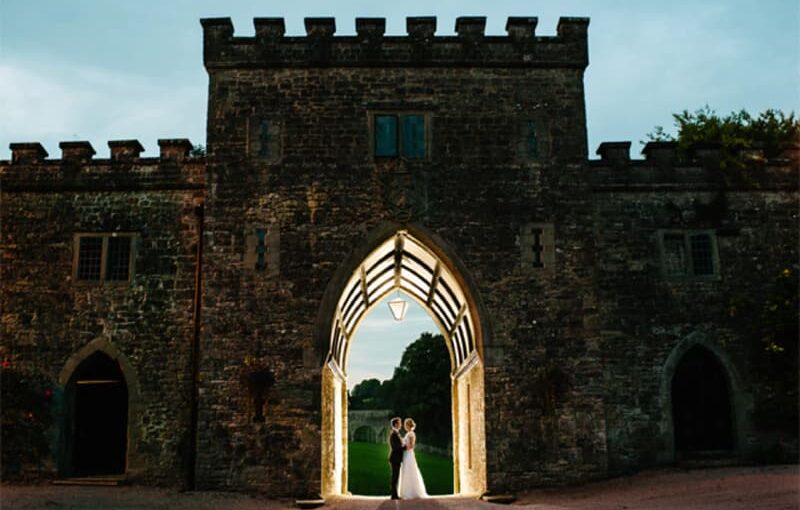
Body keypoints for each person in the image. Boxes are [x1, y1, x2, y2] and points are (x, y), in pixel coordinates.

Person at [398, 418, 428, 499]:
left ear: (408, 425)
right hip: (406, 454)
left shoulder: (411, 434)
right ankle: (406, 492)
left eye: (405, 424)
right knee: (406, 471)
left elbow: (411, 445)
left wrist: (403, 448)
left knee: (409, 470)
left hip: (408, 454)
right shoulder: (409, 433)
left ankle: (410, 492)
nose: (404, 426)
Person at [387, 417, 405, 500]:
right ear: (395, 424)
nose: (400, 424)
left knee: (396, 476)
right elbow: (395, 447)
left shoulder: (396, 433)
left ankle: (395, 494)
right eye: (399, 423)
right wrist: (404, 447)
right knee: (394, 477)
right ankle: (394, 495)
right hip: (394, 458)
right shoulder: (393, 434)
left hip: (396, 458)